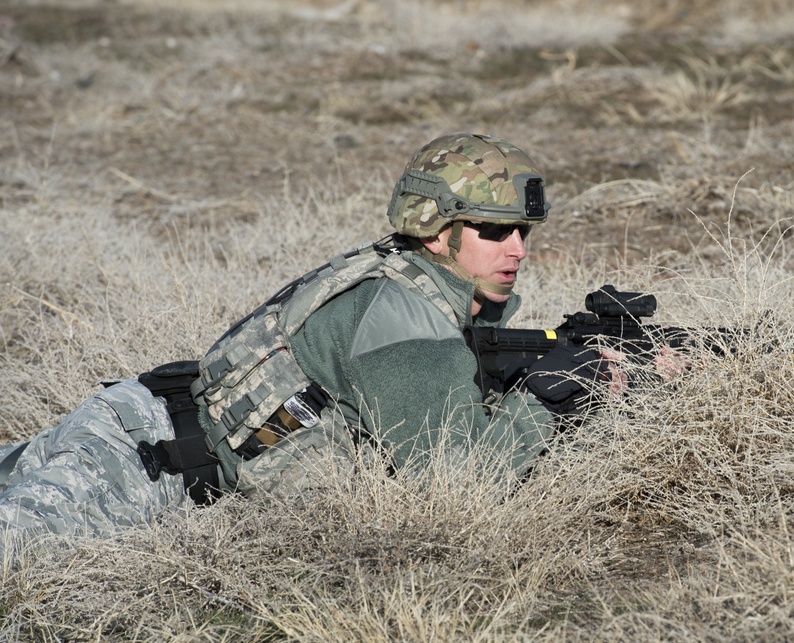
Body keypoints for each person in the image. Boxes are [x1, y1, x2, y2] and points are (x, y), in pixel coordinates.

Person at [0, 133, 614, 551]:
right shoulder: (400, 316)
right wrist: (549, 396)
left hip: (147, 427)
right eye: (494, 229)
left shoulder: (431, 287)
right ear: (436, 231)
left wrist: (582, 349)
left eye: (524, 232)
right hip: (138, 466)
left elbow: (460, 387)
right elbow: (460, 482)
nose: (518, 250)